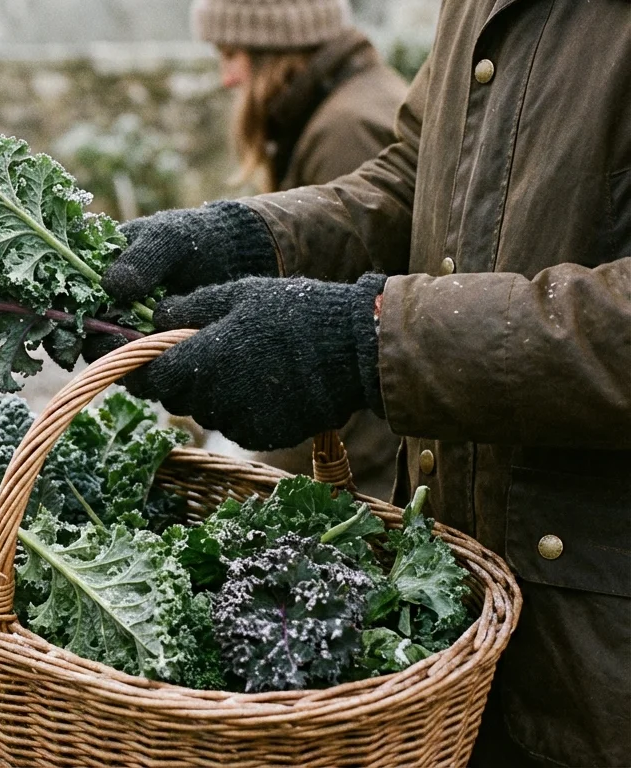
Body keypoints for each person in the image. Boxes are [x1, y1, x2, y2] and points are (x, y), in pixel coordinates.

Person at [86, 0, 631, 765]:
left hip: (601, 663)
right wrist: (252, 237)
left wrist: (363, 340)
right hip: (464, 615)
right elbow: (419, 177)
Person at [190, 0, 407, 494]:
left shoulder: (348, 130)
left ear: (276, 49)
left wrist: (268, 480)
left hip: (367, 477)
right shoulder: (337, 109)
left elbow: (345, 347)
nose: (227, 77)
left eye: (231, 53)